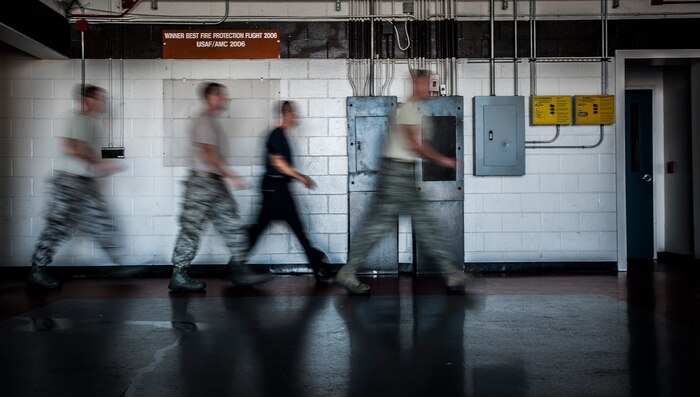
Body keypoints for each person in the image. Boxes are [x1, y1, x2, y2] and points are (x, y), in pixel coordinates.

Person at [334, 70, 470, 294]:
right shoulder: (408, 109)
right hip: (397, 174)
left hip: (400, 173)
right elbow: (413, 144)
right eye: (427, 83)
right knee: (386, 226)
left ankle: (452, 272)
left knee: (416, 224)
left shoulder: (412, 109)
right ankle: (348, 271)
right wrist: (443, 159)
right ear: (416, 85)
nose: (431, 88)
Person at [169, 82, 271, 292]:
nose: (224, 99)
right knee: (191, 229)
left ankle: (239, 270)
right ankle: (179, 275)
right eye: (220, 95)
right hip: (201, 183)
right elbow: (207, 153)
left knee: (232, 225)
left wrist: (224, 177)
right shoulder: (204, 121)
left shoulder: (212, 122)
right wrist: (231, 175)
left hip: (214, 182)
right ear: (209, 97)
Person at [28, 85, 126, 289]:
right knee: (57, 226)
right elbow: (71, 148)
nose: (102, 102)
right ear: (86, 99)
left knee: (102, 220)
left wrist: (105, 163)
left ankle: (117, 265)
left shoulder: (92, 123)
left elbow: (86, 151)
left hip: (84, 181)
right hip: (68, 182)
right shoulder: (75, 118)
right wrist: (100, 163)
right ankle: (38, 271)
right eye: (98, 98)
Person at [247, 101, 333, 282]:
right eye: (294, 112)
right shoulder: (276, 134)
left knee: (294, 228)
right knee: (262, 230)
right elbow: (278, 163)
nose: (296, 116)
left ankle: (317, 265)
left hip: (278, 189)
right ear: (286, 114)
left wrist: (296, 177)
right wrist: (301, 177)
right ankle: (235, 264)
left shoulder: (282, 135)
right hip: (275, 190)